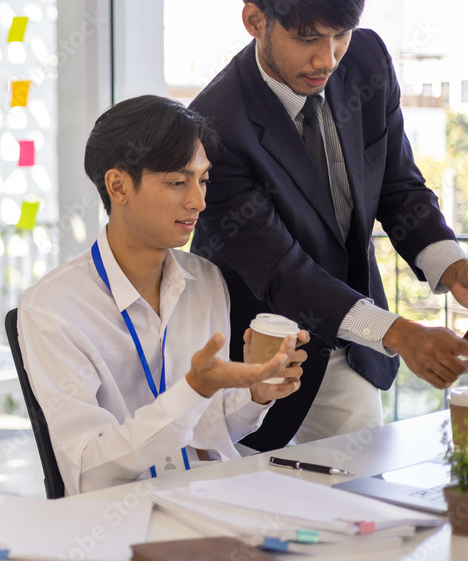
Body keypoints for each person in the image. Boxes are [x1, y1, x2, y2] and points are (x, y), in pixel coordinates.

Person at [189, 0, 468, 452]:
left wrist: (452, 268)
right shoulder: (217, 123)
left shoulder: (365, 59)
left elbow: (397, 185)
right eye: (308, 38)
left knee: (368, 505)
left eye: (340, 34)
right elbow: (279, 269)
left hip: (354, 340)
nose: (328, 58)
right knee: (246, 511)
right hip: (254, 350)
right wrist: (403, 334)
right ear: (255, 21)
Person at [17, 96, 308, 496]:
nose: (198, 201)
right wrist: (195, 388)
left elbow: (214, 427)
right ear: (118, 185)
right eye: (177, 182)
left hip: (216, 497)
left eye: (203, 180)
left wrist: (257, 392)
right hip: (123, 517)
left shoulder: (205, 280)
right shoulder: (54, 308)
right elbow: (88, 470)